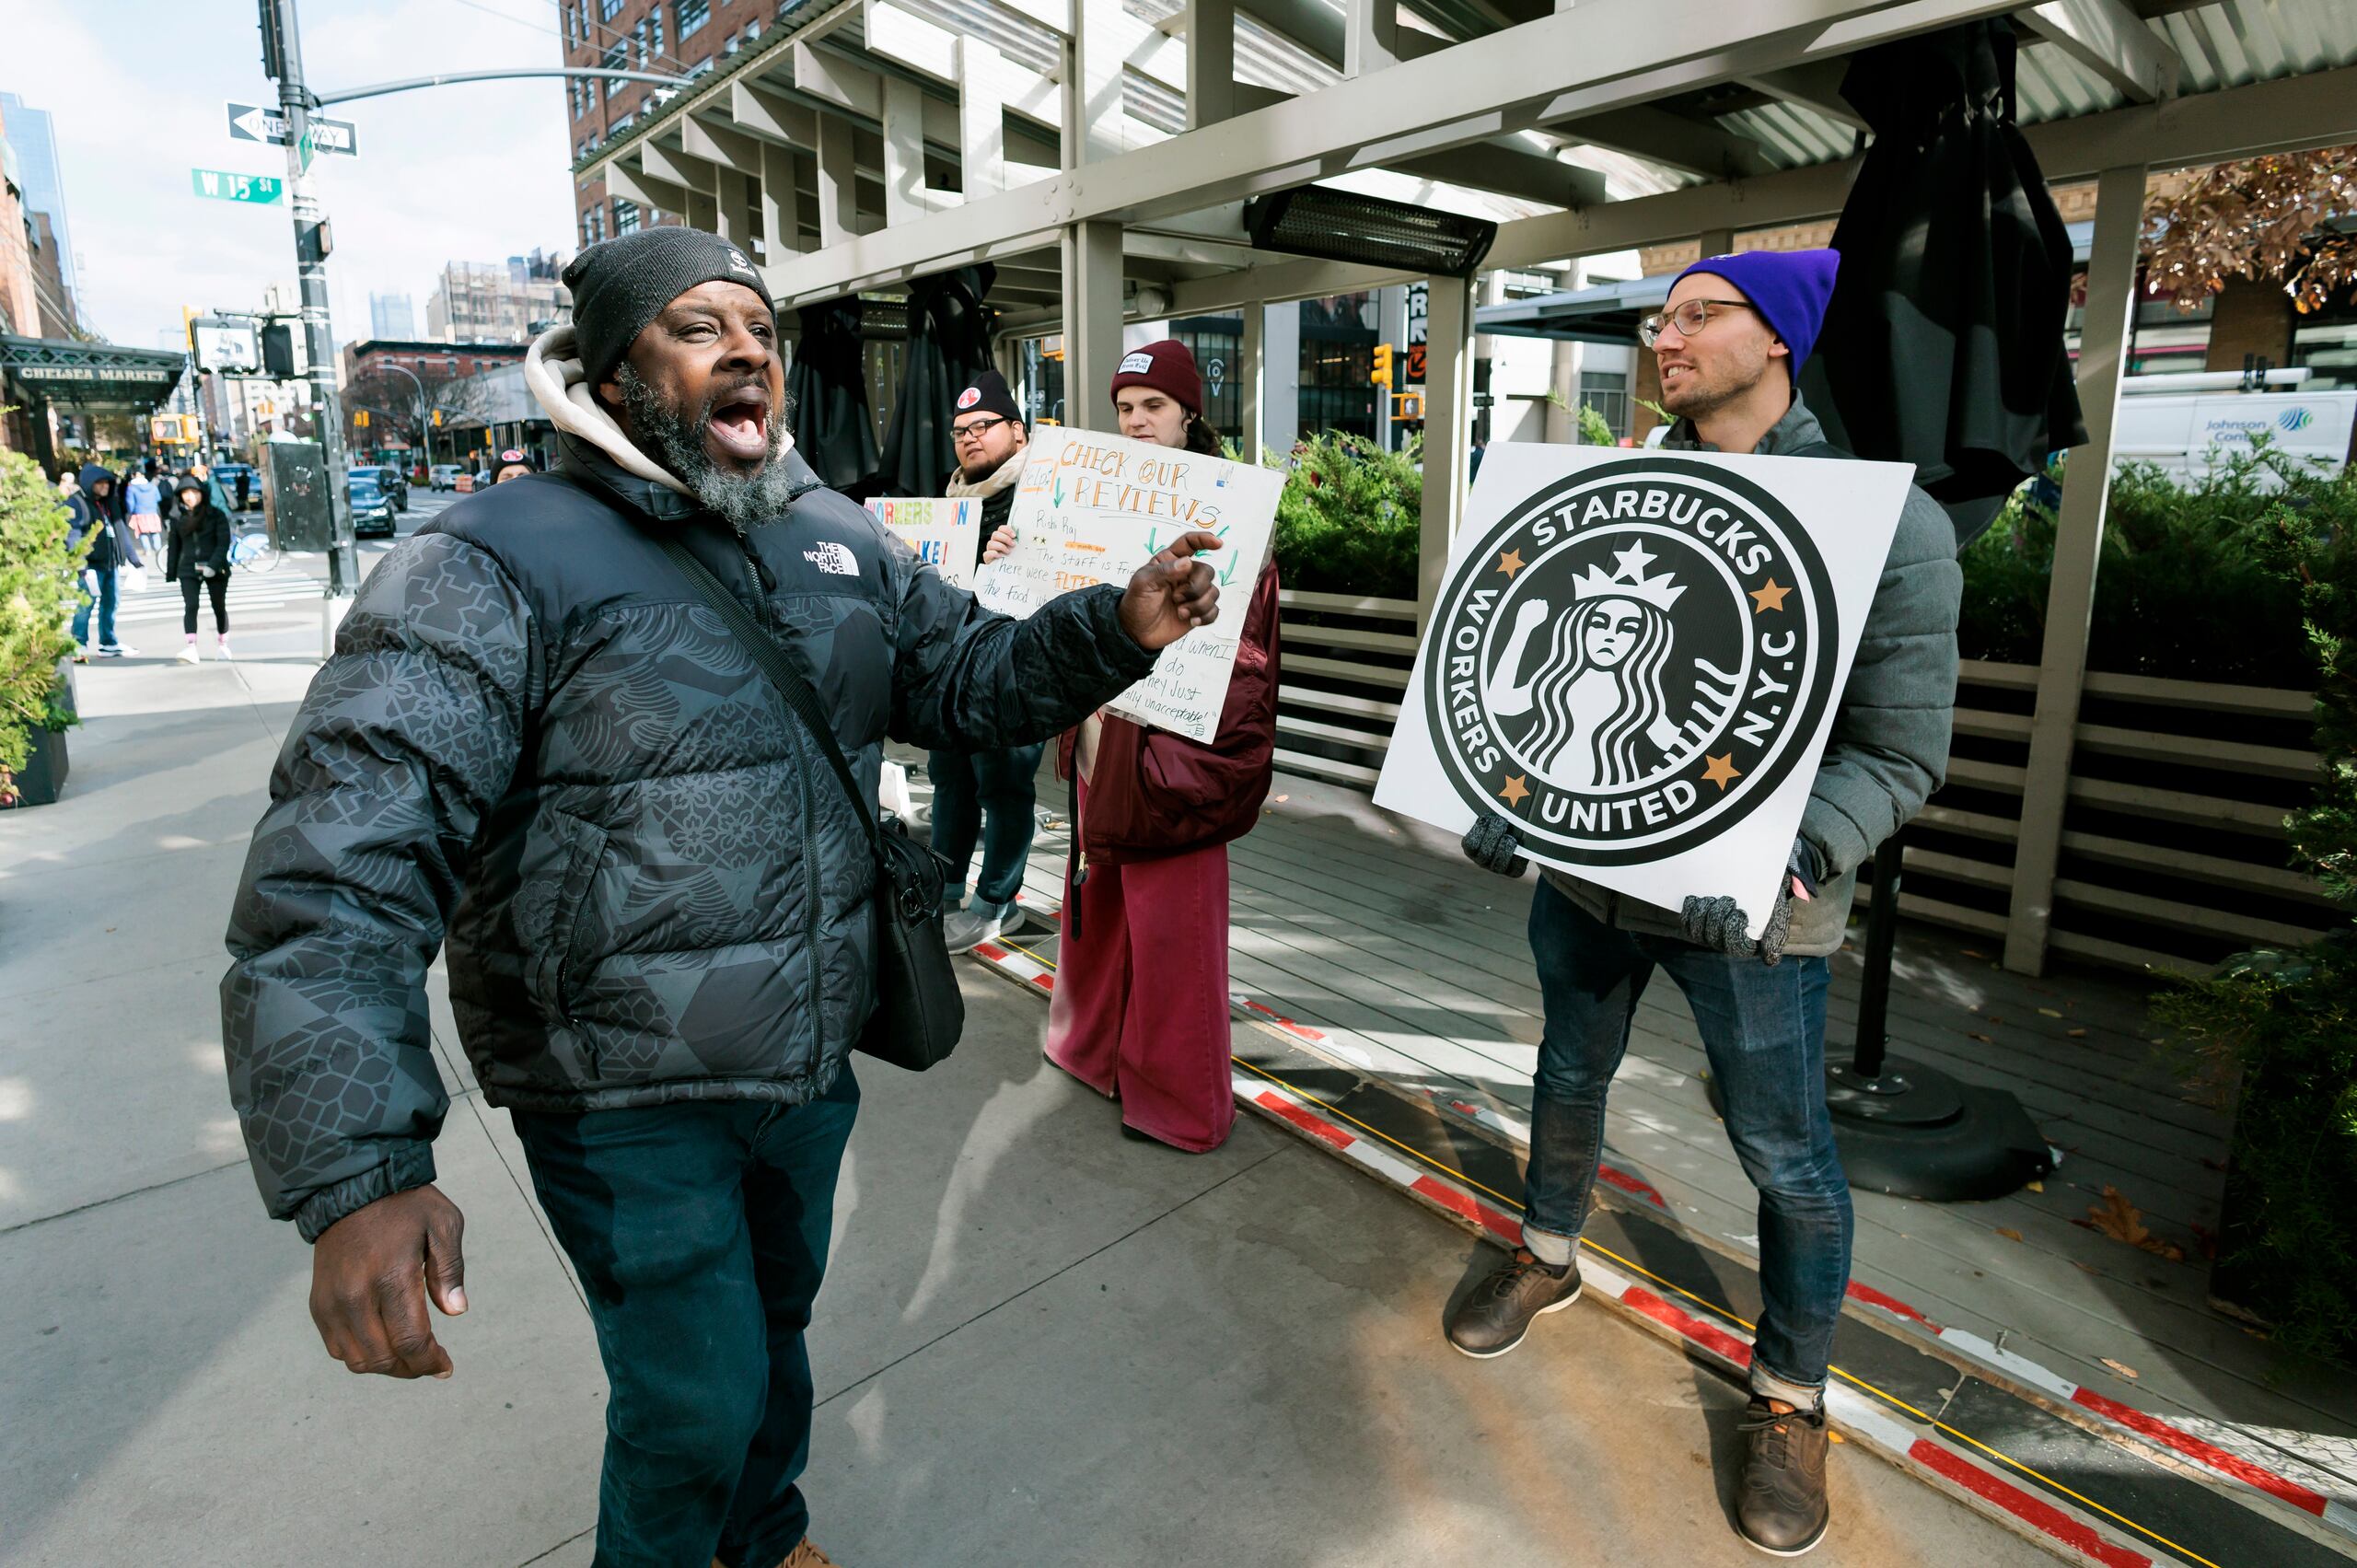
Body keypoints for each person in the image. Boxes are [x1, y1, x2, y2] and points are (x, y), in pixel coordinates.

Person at [219, 226, 1225, 1568]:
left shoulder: (834, 533)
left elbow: (966, 675)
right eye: (700, 327)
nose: (747, 348)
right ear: (612, 368)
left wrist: (1117, 625)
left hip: (804, 1064)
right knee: (691, 1403)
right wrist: (355, 1170)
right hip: (619, 1095)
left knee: (775, 1338)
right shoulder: (486, 559)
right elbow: (339, 863)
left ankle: (766, 1538)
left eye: (761, 329)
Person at [1446, 250, 1960, 1558]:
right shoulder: (1615, 489)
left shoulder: (1884, 522)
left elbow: (1899, 754)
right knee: (1568, 1069)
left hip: (1756, 916)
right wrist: (1513, 791)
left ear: (1776, 340)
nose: (1663, 336)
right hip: (1589, 882)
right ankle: (1548, 1247)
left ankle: (1792, 1394)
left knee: (1786, 1155)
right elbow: (1538, 672)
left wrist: (1794, 860)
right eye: (1657, 317)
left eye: (1696, 315)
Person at [1025, 339, 1279, 1152]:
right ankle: (1089, 1049)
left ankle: (1181, 1103)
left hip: (1173, 757)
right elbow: (1053, 608)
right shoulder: (1096, 499)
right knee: (1095, 908)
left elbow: (1246, 663)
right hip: (1103, 735)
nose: (1135, 422)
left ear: (1188, 414)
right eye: (1125, 408)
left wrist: (1192, 767)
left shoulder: (1238, 516)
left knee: (1175, 937)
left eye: (1154, 407)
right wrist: (1015, 561)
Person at [933, 369, 1042, 952]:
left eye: (983, 426)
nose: (970, 437)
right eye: (959, 431)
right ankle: (943, 889)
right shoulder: (948, 502)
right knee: (949, 778)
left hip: (1015, 668)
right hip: (951, 667)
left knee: (1003, 784)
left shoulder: (1044, 495)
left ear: (1018, 434)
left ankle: (998, 902)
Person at [65, 463, 141, 658]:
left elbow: (120, 530)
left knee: (111, 602)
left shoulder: (110, 503)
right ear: (90, 484)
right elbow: (73, 536)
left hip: (110, 562)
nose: (105, 486)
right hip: (90, 565)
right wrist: (81, 565)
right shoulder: (77, 503)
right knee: (86, 604)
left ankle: (108, 641)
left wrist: (134, 559)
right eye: (100, 483)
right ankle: (77, 643)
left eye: (107, 483)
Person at [166, 474, 234, 663]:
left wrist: (213, 565)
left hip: (215, 567)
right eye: (185, 493)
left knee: (218, 606)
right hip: (188, 568)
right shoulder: (177, 517)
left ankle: (223, 645)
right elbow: (174, 546)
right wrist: (171, 572)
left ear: (201, 493)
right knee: (191, 606)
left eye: (194, 492)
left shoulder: (216, 515)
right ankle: (191, 648)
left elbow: (223, 543)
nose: (190, 497)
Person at [126, 460, 165, 563]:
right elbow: (158, 498)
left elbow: (130, 503)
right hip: (152, 512)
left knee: (142, 533)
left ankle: (147, 550)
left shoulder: (132, 488)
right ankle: (158, 549)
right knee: (155, 532)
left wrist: (131, 512)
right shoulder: (152, 486)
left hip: (139, 513)